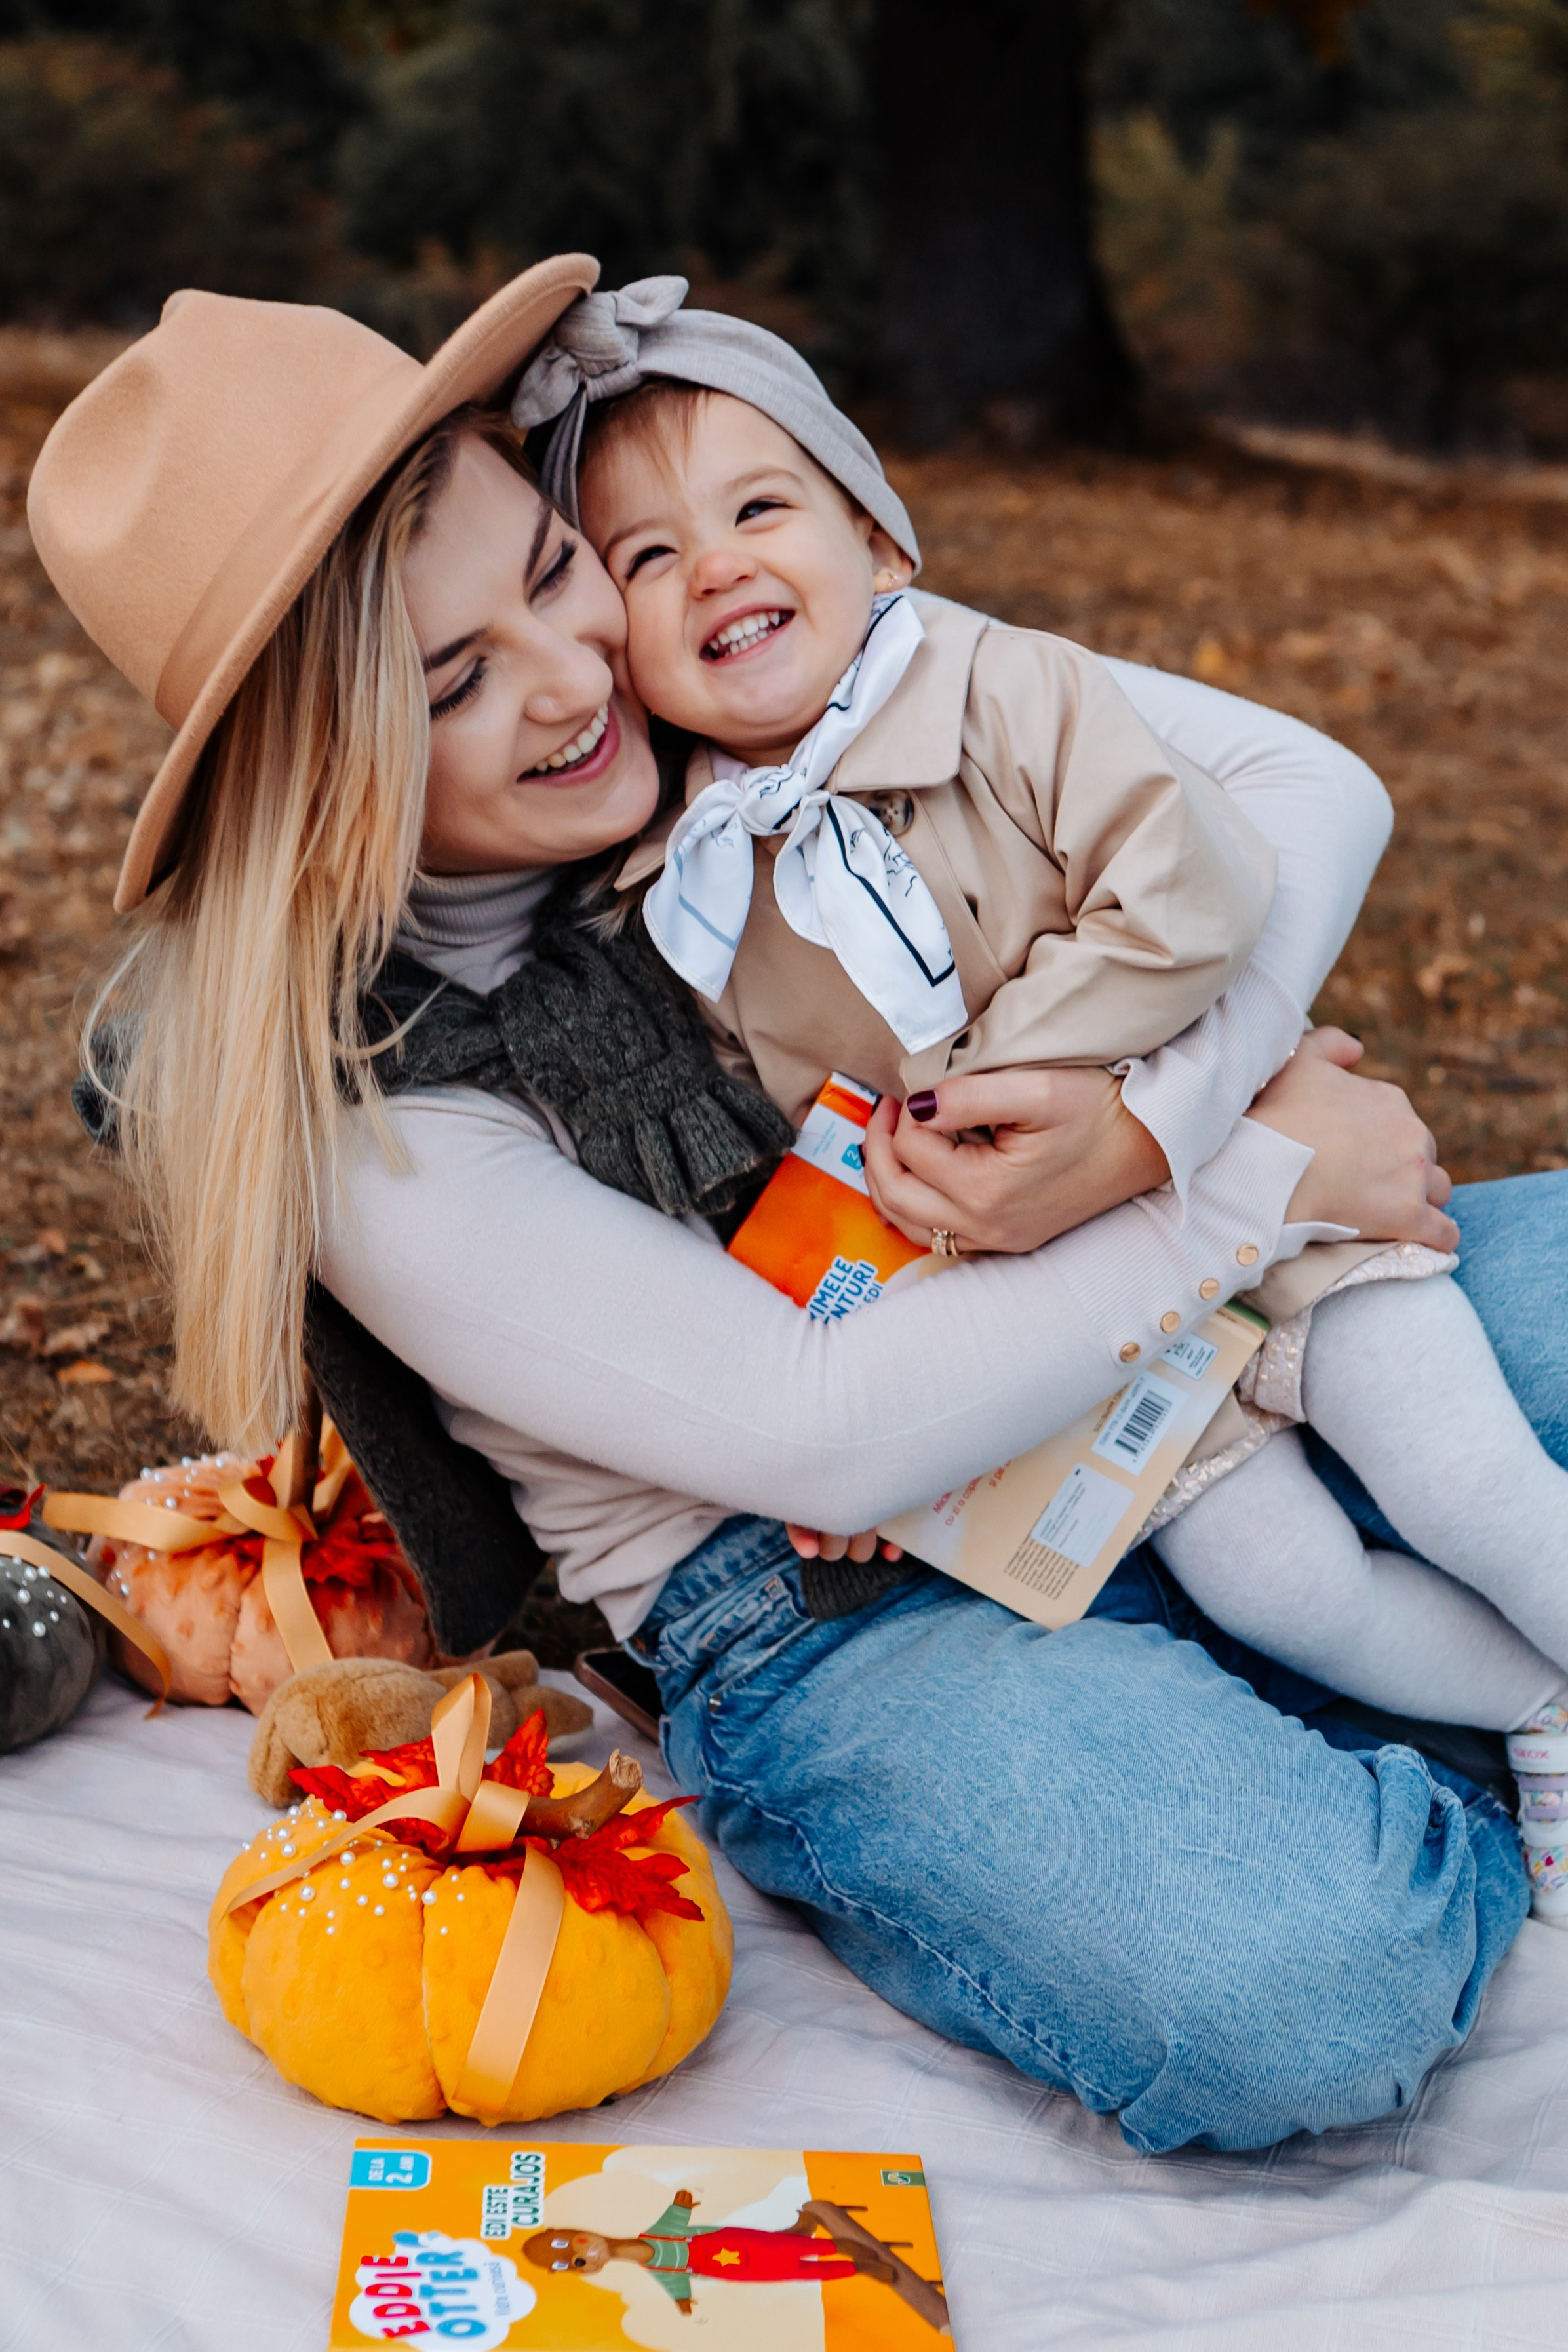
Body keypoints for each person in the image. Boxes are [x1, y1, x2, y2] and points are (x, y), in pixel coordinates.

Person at [26, 260, 1544, 2155]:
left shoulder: (737, 651)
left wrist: (1158, 1121)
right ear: (318, 775)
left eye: (554, 573)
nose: (580, 680)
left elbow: (1295, 790)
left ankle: (1355, 1656)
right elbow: (823, 1428)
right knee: (1303, 1984)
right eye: (454, 681)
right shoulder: (360, 1104)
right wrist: (1253, 1170)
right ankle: (1416, 1731)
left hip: (1161, 1328)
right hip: (827, 1584)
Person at [514, 279, 1568, 1803]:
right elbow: (779, 1163)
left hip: (1259, 1192)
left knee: (1461, 1477)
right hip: (1058, 1328)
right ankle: (1536, 1716)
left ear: (876, 538)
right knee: (1275, 1583)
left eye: (759, 507)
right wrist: (858, 1441)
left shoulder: (1000, 688)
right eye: (649, 558)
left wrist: (1027, 1072)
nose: (715, 567)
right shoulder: (672, 891)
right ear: (617, 648)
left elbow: (1195, 876)